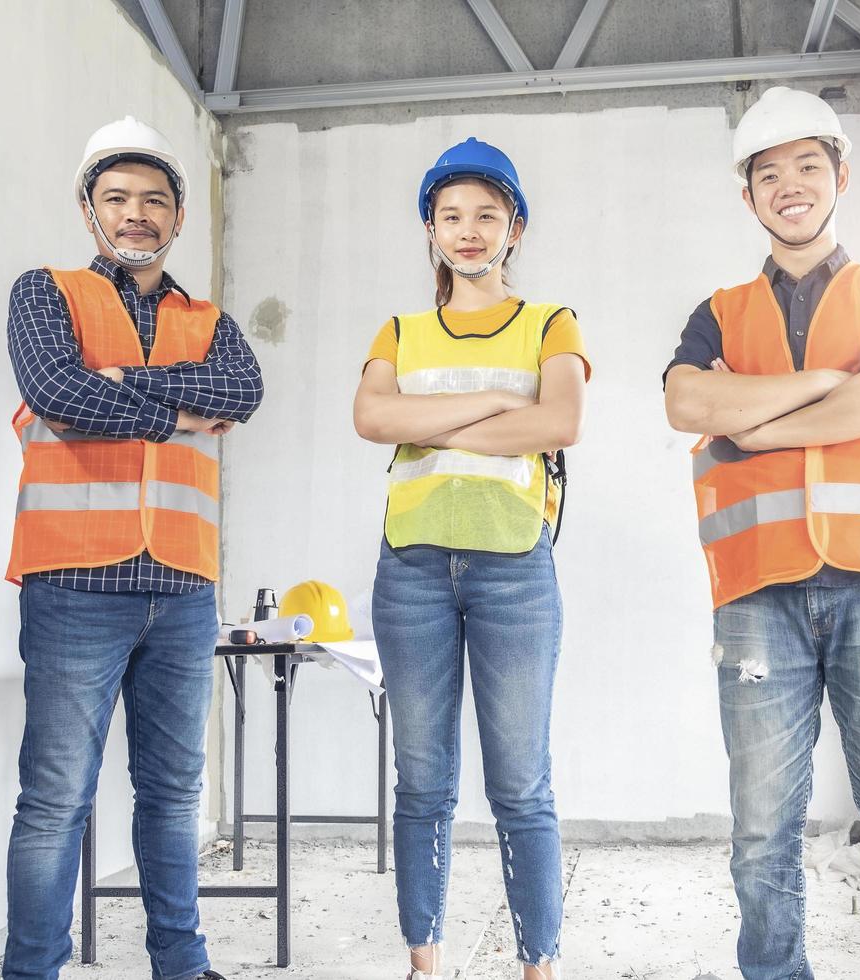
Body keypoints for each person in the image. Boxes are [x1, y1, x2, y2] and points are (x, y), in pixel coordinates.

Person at [663, 87, 860, 980]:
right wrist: (833, 383)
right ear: (746, 196)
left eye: (808, 167)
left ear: (841, 176)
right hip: (759, 591)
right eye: (769, 174)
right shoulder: (719, 311)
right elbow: (688, 401)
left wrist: (758, 423)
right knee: (761, 835)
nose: (790, 187)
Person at [2, 115, 264, 980]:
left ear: (178, 216)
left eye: (155, 199)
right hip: (74, 580)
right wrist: (177, 413)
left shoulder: (212, 319)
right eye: (117, 197)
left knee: (172, 796)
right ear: (89, 210)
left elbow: (242, 390)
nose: (136, 213)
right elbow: (54, 390)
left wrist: (121, 383)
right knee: (55, 802)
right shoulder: (45, 294)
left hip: (184, 589)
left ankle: (180, 968)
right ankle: (32, 970)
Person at [352, 138, 589, 980]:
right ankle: (425, 961)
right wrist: (495, 399)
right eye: (451, 216)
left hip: (513, 568)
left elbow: (559, 422)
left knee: (521, 784)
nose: (468, 231)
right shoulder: (402, 328)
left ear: (514, 226)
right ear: (430, 227)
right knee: (422, 782)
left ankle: (538, 967)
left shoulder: (548, 322)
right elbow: (373, 420)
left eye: (487, 215)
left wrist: (430, 415)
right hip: (411, 568)